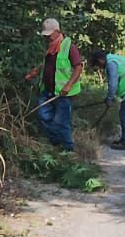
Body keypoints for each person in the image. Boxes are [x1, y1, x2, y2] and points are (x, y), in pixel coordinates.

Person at [22, 18, 83, 151]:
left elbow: (78, 68)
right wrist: (36, 71)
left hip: (63, 93)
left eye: (49, 35)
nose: (46, 37)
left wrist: (68, 85)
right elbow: (48, 64)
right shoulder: (51, 47)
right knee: (43, 116)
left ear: (57, 31)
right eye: (45, 35)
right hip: (47, 90)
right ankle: (56, 144)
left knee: (61, 122)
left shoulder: (69, 47)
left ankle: (68, 149)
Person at [88, 47, 125, 151]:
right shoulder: (115, 58)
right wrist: (110, 98)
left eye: (98, 65)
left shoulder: (111, 64)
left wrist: (110, 98)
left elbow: (113, 83)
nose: (100, 68)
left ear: (100, 60)